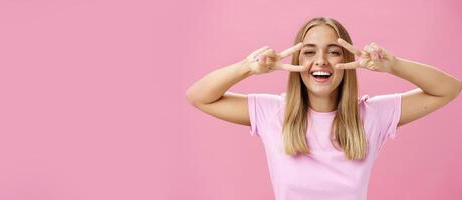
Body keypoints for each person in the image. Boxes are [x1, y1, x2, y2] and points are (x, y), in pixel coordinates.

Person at [185, 17, 461, 200]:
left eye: (333, 51)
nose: (321, 61)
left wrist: (394, 65)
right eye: (309, 51)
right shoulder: (272, 112)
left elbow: (449, 88)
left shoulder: (372, 116)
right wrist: (248, 67)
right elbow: (199, 96)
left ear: (346, 60)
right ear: (296, 61)